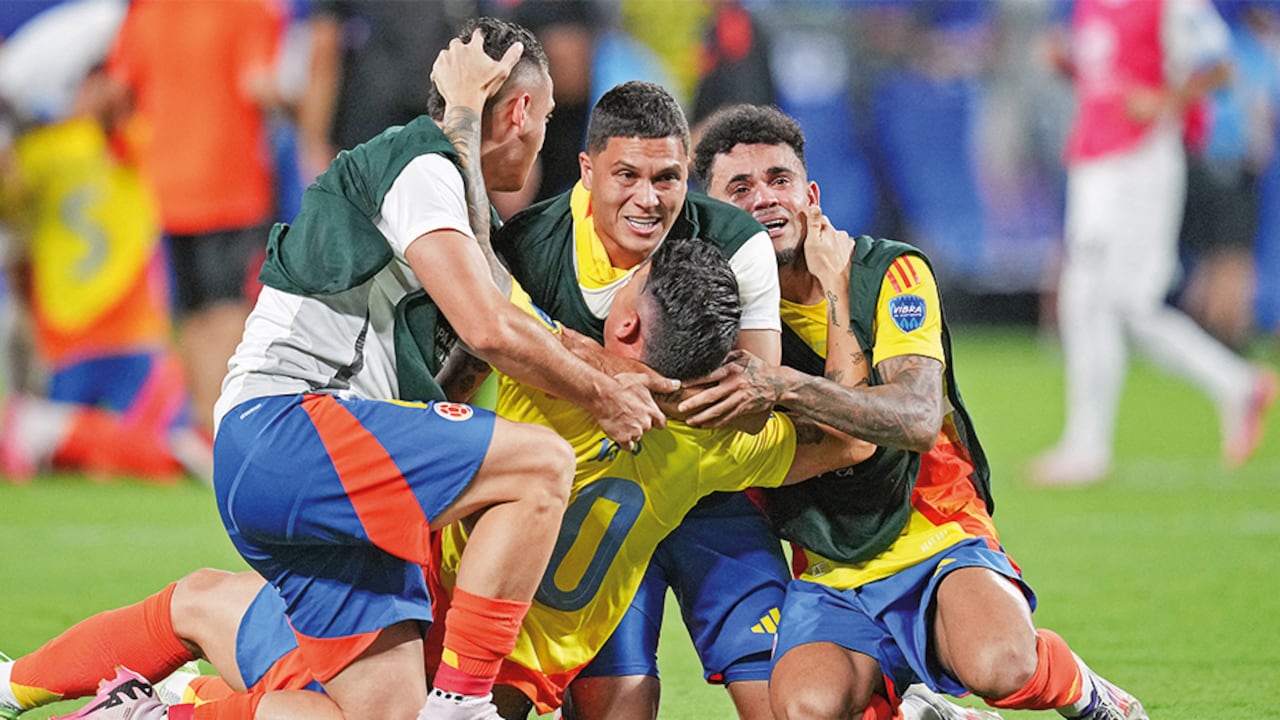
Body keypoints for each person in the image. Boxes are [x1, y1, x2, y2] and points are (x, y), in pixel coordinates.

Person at [0, 239, 874, 720]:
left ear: (631, 320)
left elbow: (486, 296)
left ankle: (130, 707)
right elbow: (848, 443)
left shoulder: (553, 387)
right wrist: (827, 304)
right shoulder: (718, 450)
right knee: (215, 611)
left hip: (427, 650)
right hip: (498, 680)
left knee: (226, 634)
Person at [212, 18, 671, 720]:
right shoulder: (421, 165)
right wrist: (602, 399)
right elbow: (488, 328)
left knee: (380, 714)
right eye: (546, 119)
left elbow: (518, 317)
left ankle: (160, 711)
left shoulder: (440, 194)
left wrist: (611, 371)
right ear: (519, 112)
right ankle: (464, 701)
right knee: (542, 464)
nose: (545, 138)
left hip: (315, 472)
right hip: (287, 429)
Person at [687, 102, 1148, 720]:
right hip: (829, 562)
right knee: (802, 710)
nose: (765, 199)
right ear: (712, 214)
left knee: (1000, 665)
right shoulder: (717, 316)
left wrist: (784, 383)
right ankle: (924, 711)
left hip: (936, 527)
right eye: (739, 188)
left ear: (811, 194)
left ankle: (1090, 694)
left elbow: (915, 417)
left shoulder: (890, 271)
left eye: (779, 180)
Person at [493, 79, 786, 720]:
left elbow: (756, 392)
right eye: (627, 174)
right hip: (591, 499)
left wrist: (593, 372)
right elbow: (484, 342)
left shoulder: (735, 243)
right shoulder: (528, 249)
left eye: (669, 178)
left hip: (708, 487)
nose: (649, 200)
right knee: (615, 704)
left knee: (790, 699)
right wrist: (605, 377)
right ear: (587, 170)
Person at [1030, 0, 1277, 485]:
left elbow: (1221, 63)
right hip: (1095, 154)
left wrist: (1166, 100)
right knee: (1123, 305)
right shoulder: (1083, 7)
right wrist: (1067, 65)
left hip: (1138, 161)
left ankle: (1087, 446)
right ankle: (1237, 384)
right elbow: (1100, 70)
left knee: (1093, 297)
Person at [0, 1, 210, 484]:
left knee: (159, 456)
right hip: (71, 340)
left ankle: (47, 431)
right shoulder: (49, 150)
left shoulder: (133, 142)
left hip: (135, 339)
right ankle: (53, 434)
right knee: (154, 456)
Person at [104, 0, 286, 437]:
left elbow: (116, 91)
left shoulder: (147, 14)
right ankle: (227, 424)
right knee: (227, 307)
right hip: (231, 181)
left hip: (166, 184)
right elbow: (258, 84)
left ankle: (204, 423)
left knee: (189, 310)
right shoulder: (248, 11)